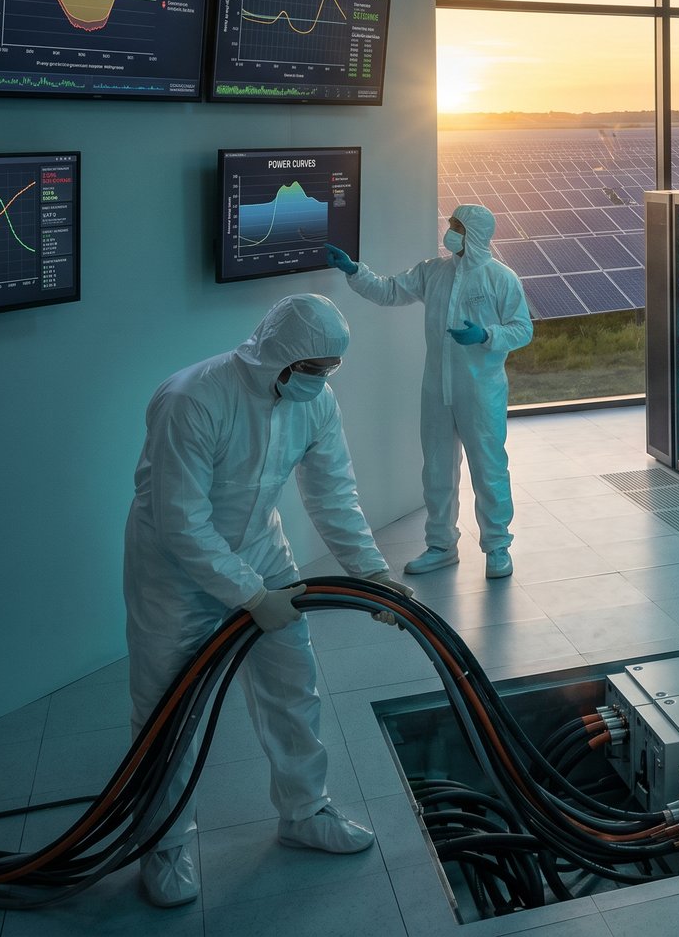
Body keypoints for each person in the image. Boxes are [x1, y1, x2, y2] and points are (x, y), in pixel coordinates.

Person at [123, 294, 404, 908]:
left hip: (262, 549)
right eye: (316, 367)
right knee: (169, 707)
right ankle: (164, 844)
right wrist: (251, 596)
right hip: (173, 571)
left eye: (331, 369)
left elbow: (333, 493)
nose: (323, 380)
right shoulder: (192, 399)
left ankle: (304, 811)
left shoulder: (315, 402)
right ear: (279, 357)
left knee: (291, 684)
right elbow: (180, 522)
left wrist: (372, 573)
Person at [325, 204, 532, 579]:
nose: (449, 231)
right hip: (436, 389)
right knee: (436, 469)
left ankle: (498, 547)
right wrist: (355, 271)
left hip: (481, 392)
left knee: (489, 469)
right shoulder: (433, 272)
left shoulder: (501, 278)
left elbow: (523, 329)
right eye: (451, 224)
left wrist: (486, 335)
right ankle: (440, 545)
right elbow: (389, 291)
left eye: (457, 226)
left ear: (475, 234)